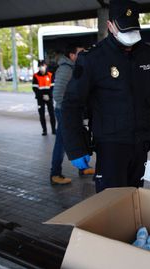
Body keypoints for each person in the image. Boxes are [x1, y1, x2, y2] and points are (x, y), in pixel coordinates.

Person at [62, 0, 150, 193]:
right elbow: (71, 104)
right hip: (110, 145)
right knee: (111, 201)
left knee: (135, 195)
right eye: (124, 30)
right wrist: (75, 147)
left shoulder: (147, 55)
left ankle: (134, 225)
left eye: (133, 29)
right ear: (110, 26)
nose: (130, 36)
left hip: (142, 142)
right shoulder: (92, 59)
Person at [49, 43, 96, 185]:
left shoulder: (76, 68)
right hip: (65, 112)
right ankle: (55, 174)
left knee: (80, 137)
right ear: (72, 55)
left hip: (74, 112)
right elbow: (57, 95)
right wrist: (70, 110)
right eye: (80, 53)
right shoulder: (65, 69)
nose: (83, 55)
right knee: (62, 142)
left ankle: (83, 168)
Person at [32, 60, 56, 136]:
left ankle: (53, 130)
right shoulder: (35, 76)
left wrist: (48, 96)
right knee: (41, 114)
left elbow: (52, 87)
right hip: (40, 98)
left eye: (42, 65)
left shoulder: (50, 75)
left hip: (49, 97)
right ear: (38, 67)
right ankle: (44, 130)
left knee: (52, 114)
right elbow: (35, 88)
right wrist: (42, 96)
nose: (41, 67)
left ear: (45, 66)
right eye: (39, 66)